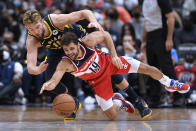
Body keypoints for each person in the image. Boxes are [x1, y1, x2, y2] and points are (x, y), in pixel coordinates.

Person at [23, 9, 152, 120]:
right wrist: (37, 70)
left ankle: (137, 100)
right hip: (56, 50)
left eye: (38, 27)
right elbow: (30, 68)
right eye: (31, 29)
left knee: (105, 68)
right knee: (50, 81)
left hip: (77, 40)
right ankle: (72, 102)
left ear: (41, 22)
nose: (36, 31)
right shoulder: (31, 39)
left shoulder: (55, 21)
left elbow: (84, 12)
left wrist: (93, 21)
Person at [40, 31, 190, 120]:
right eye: (66, 50)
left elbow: (105, 35)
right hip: (97, 81)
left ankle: (169, 83)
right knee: (113, 117)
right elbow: (55, 78)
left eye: (71, 48)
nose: (70, 52)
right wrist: (49, 85)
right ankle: (118, 101)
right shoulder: (65, 63)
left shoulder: (87, 41)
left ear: (78, 44)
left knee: (147, 68)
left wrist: (114, 56)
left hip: (109, 63)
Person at [141, 0, 180, 107]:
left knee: (167, 67)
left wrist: (169, 39)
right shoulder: (145, 2)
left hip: (161, 34)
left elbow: (171, 18)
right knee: (152, 68)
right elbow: (146, 21)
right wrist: (144, 41)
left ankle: (179, 96)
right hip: (150, 35)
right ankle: (155, 98)